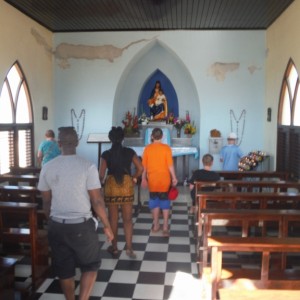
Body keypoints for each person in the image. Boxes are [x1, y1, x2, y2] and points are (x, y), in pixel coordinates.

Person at [38, 127, 113, 300]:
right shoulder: (88, 166)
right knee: (91, 266)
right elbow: (97, 201)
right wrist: (107, 227)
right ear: (77, 143)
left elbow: (46, 202)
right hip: (82, 225)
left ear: (59, 144)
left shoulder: (47, 167)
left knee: (64, 270)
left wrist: (52, 221)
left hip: (57, 224)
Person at [99, 126, 143, 259]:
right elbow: (140, 168)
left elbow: (101, 175)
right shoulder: (129, 152)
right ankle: (129, 248)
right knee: (128, 219)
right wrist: (134, 178)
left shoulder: (106, 154)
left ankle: (114, 248)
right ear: (123, 138)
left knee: (113, 218)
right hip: (126, 184)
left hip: (112, 185)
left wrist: (100, 187)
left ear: (110, 139)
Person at [141, 128, 178, 237]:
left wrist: (143, 178)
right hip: (164, 180)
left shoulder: (147, 149)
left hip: (152, 180)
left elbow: (144, 166)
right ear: (162, 137)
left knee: (154, 202)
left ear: (152, 136)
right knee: (165, 203)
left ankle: (156, 225)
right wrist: (174, 177)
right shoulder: (166, 148)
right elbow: (170, 165)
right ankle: (165, 227)